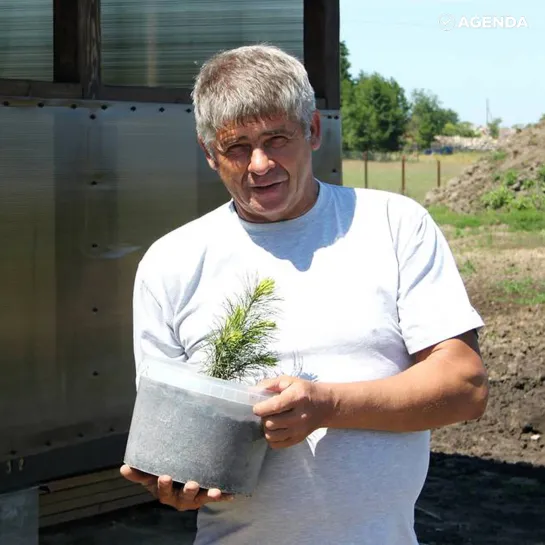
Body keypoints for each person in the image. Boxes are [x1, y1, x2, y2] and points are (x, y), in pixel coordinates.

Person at [120, 44, 488, 545]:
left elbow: (464, 385)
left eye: (277, 138)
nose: (259, 164)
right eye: (236, 147)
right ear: (209, 154)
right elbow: (167, 433)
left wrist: (327, 405)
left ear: (312, 131)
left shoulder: (393, 226)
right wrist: (176, 483)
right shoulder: (171, 263)